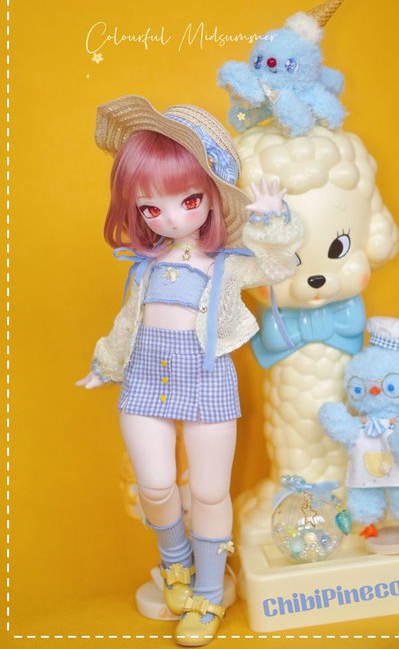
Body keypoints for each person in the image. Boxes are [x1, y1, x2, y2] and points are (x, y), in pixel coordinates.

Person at [77, 96, 303, 646]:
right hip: (144, 382)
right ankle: (175, 562)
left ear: (212, 196)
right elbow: (129, 324)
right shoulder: (144, 267)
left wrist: (271, 221)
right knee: (155, 485)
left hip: (207, 379)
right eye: (151, 208)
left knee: (208, 491)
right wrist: (105, 364)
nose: (172, 218)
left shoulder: (227, 264)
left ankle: (206, 593)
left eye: (189, 200)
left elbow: (279, 265)